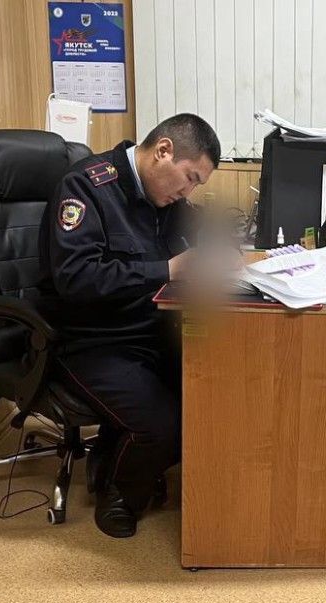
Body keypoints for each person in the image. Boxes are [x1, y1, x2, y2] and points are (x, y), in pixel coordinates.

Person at [38, 114, 220, 538]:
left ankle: (109, 452)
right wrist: (167, 269)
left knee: (212, 395)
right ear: (163, 152)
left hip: (149, 331)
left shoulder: (164, 199)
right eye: (190, 178)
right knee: (163, 425)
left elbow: (195, 237)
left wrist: (217, 252)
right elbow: (76, 278)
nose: (187, 192)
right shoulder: (86, 188)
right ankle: (118, 493)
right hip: (92, 340)